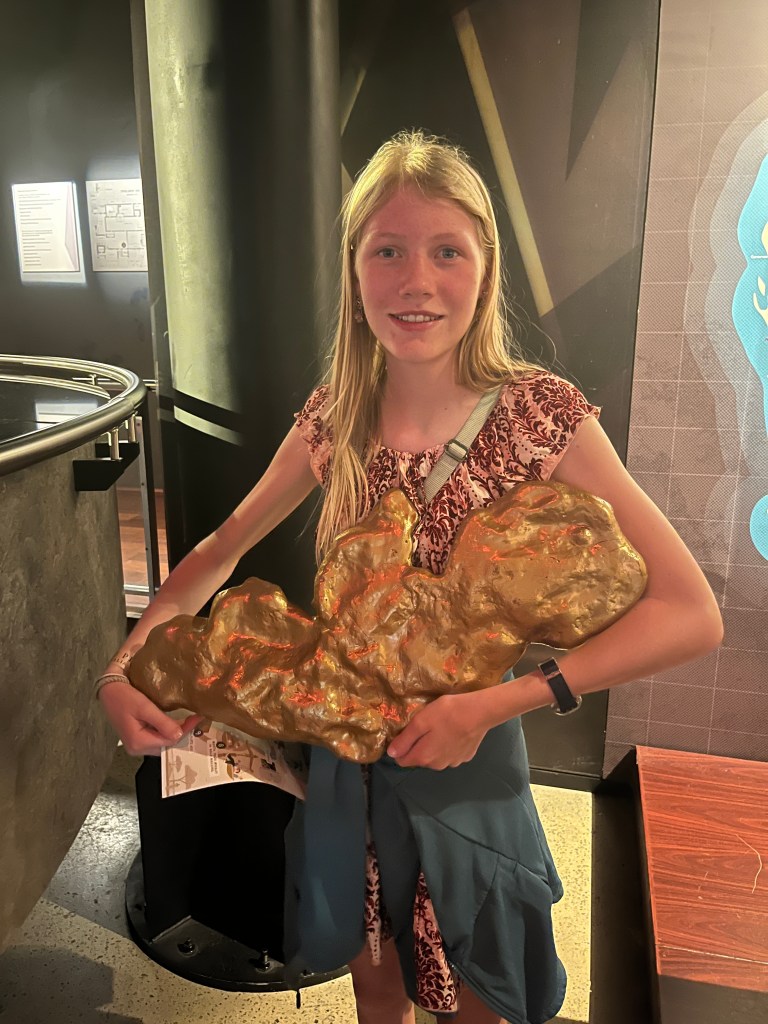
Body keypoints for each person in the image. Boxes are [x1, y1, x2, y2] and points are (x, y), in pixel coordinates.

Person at [97, 130, 723, 1024]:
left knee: (479, 990)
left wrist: (497, 704)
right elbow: (221, 549)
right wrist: (122, 670)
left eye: (446, 251)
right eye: (386, 251)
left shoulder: (539, 415)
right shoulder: (335, 418)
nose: (415, 281)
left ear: (485, 267)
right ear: (355, 273)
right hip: (349, 770)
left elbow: (691, 613)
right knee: (373, 978)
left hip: (468, 762)